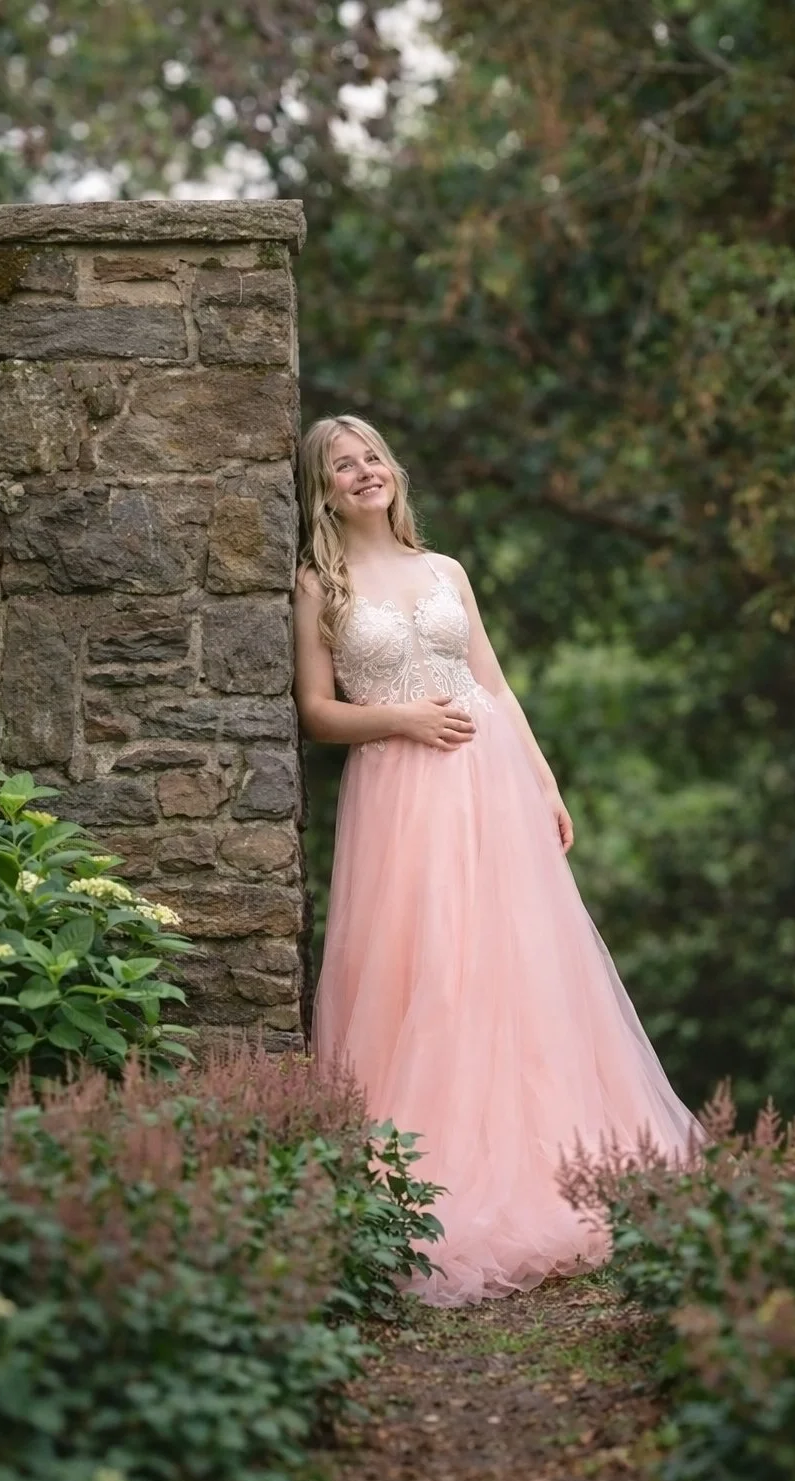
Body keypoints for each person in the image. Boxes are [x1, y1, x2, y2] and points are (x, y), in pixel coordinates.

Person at [293, 414, 700, 1307]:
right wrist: (402, 719)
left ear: (392, 471)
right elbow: (318, 714)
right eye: (341, 465)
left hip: (492, 779)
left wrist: (547, 784)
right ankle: (436, 1175)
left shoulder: (446, 572)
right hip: (403, 793)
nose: (363, 472)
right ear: (322, 491)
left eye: (371, 457)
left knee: (520, 964)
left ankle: (557, 1153)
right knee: (431, 967)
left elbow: (495, 681)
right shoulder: (317, 584)